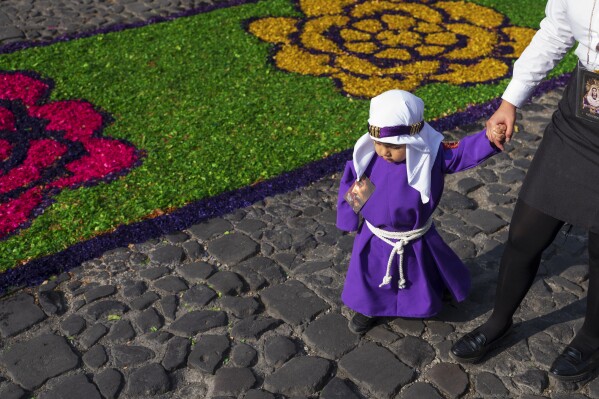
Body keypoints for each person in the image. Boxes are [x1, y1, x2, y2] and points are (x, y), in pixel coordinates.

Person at [451, 0, 599, 383]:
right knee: (523, 234)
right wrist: (511, 99)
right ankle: (500, 321)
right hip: (580, 116)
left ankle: (593, 337)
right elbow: (555, 32)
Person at [336, 89, 506, 335]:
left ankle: (428, 296)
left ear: (414, 140)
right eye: (379, 143)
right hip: (376, 236)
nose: (384, 151)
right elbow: (353, 188)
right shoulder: (370, 160)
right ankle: (369, 307)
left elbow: (461, 151)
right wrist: (348, 218)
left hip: (415, 234)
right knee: (371, 272)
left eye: (393, 146)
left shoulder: (432, 156)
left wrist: (489, 139)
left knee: (422, 269)